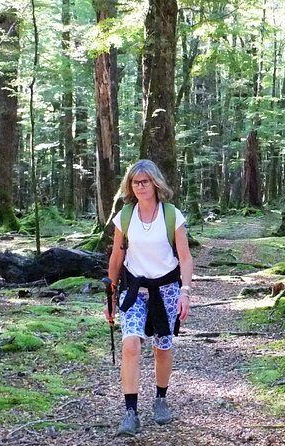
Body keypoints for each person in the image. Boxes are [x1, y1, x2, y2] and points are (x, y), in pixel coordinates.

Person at [105, 159, 193, 437]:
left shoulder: (171, 215)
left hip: (166, 289)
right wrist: (110, 294)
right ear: (129, 186)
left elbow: (186, 257)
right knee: (130, 344)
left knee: (163, 347)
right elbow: (117, 256)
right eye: (135, 182)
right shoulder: (125, 216)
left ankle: (161, 399)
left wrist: (185, 292)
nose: (140, 186)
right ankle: (130, 412)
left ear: (155, 183)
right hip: (134, 291)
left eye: (144, 181)